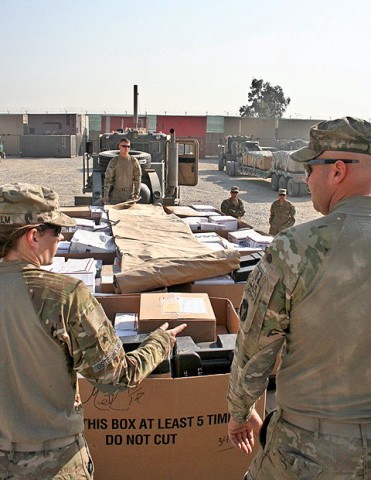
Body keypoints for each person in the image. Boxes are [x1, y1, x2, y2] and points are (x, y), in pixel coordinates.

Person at [0, 182, 186, 479]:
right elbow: (116, 376)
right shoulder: (63, 296)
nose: (61, 239)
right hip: (52, 463)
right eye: (57, 231)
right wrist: (160, 342)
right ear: (33, 236)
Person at [226, 116, 371, 479]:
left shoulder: (298, 248)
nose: (306, 178)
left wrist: (240, 413)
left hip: (311, 452)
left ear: (337, 171)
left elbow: (254, 351)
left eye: (311, 167)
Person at [103, 137, 141, 205]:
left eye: (128, 146)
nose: (126, 148)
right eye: (124, 146)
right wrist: (106, 194)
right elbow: (108, 179)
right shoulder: (114, 161)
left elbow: (137, 178)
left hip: (129, 195)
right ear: (119, 147)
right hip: (116, 195)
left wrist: (136, 193)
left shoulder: (134, 161)